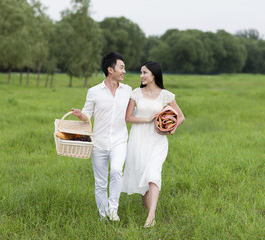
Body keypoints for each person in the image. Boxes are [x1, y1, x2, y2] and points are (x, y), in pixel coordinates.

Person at [121, 61, 185, 228]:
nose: (141, 76)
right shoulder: (136, 93)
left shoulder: (166, 95)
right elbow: (128, 118)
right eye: (141, 73)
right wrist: (148, 119)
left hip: (157, 141)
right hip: (138, 140)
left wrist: (169, 130)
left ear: (154, 74)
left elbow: (181, 117)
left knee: (153, 173)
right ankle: (152, 214)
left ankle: (151, 216)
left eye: (144, 73)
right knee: (142, 178)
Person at [71, 51, 132, 221]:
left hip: (120, 141)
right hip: (98, 143)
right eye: (121, 67)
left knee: (116, 170)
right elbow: (87, 114)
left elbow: (136, 108)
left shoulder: (128, 90)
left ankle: (113, 209)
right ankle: (103, 215)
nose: (124, 71)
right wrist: (80, 114)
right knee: (100, 183)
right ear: (110, 69)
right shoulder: (94, 91)